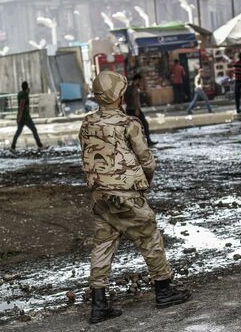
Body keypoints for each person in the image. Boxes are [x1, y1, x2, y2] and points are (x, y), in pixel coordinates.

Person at [79, 70, 190, 324]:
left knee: (103, 244)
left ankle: (99, 303)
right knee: (149, 236)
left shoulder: (87, 124)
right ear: (119, 95)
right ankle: (163, 289)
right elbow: (146, 160)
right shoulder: (128, 123)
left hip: (100, 195)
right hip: (126, 193)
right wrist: (144, 182)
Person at [10, 81, 45, 152]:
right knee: (34, 130)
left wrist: (18, 116)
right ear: (27, 87)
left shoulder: (20, 94)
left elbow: (23, 100)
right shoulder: (25, 95)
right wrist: (20, 116)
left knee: (18, 132)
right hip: (25, 117)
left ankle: (13, 147)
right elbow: (22, 105)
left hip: (21, 116)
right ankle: (40, 145)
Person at [125, 74, 156, 146]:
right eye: (140, 81)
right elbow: (135, 99)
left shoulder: (128, 88)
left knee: (132, 126)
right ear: (137, 80)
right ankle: (148, 141)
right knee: (145, 124)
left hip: (128, 109)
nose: (141, 82)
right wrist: (137, 109)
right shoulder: (134, 89)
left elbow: (125, 99)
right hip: (135, 110)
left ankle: (132, 143)